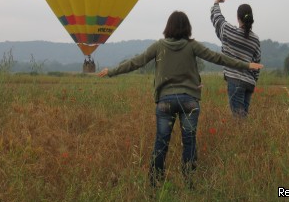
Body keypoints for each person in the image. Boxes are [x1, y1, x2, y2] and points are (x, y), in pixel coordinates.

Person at [98, 11, 263, 188]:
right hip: (189, 100)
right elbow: (218, 58)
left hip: (165, 101)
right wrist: (246, 65)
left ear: (168, 27)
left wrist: (111, 72)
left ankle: (155, 181)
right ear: (187, 27)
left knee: (161, 142)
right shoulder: (192, 46)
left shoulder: (159, 46)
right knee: (189, 141)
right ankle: (189, 181)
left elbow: (136, 62)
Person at [210, 0, 262, 117]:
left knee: (239, 119)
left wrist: (216, 2)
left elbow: (217, 20)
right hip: (249, 83)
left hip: (235, 80)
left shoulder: (229, 31)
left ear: (238, 17)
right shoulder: (255, 39)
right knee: (243, 116)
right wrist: (253, 80)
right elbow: (257, 62)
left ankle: (245, 136)